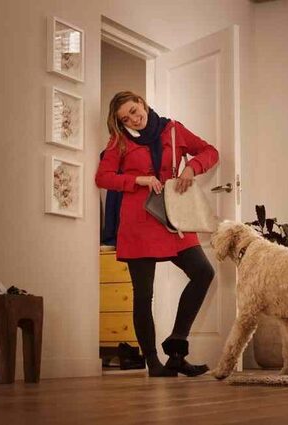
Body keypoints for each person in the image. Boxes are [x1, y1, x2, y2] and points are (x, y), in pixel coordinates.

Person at [95, 91, 219, 377]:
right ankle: (153, 363)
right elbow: (103, 177)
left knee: (203, 273)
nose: (134, 120)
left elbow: (210, 151)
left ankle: (176, 350)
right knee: (144, 295)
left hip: (173, 217)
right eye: (125, 118)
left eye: (134, 111)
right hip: (138, 221)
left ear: (142, 103)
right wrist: (138, 179)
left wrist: (191, 168)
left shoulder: (172, 130)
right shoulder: (118, 141)